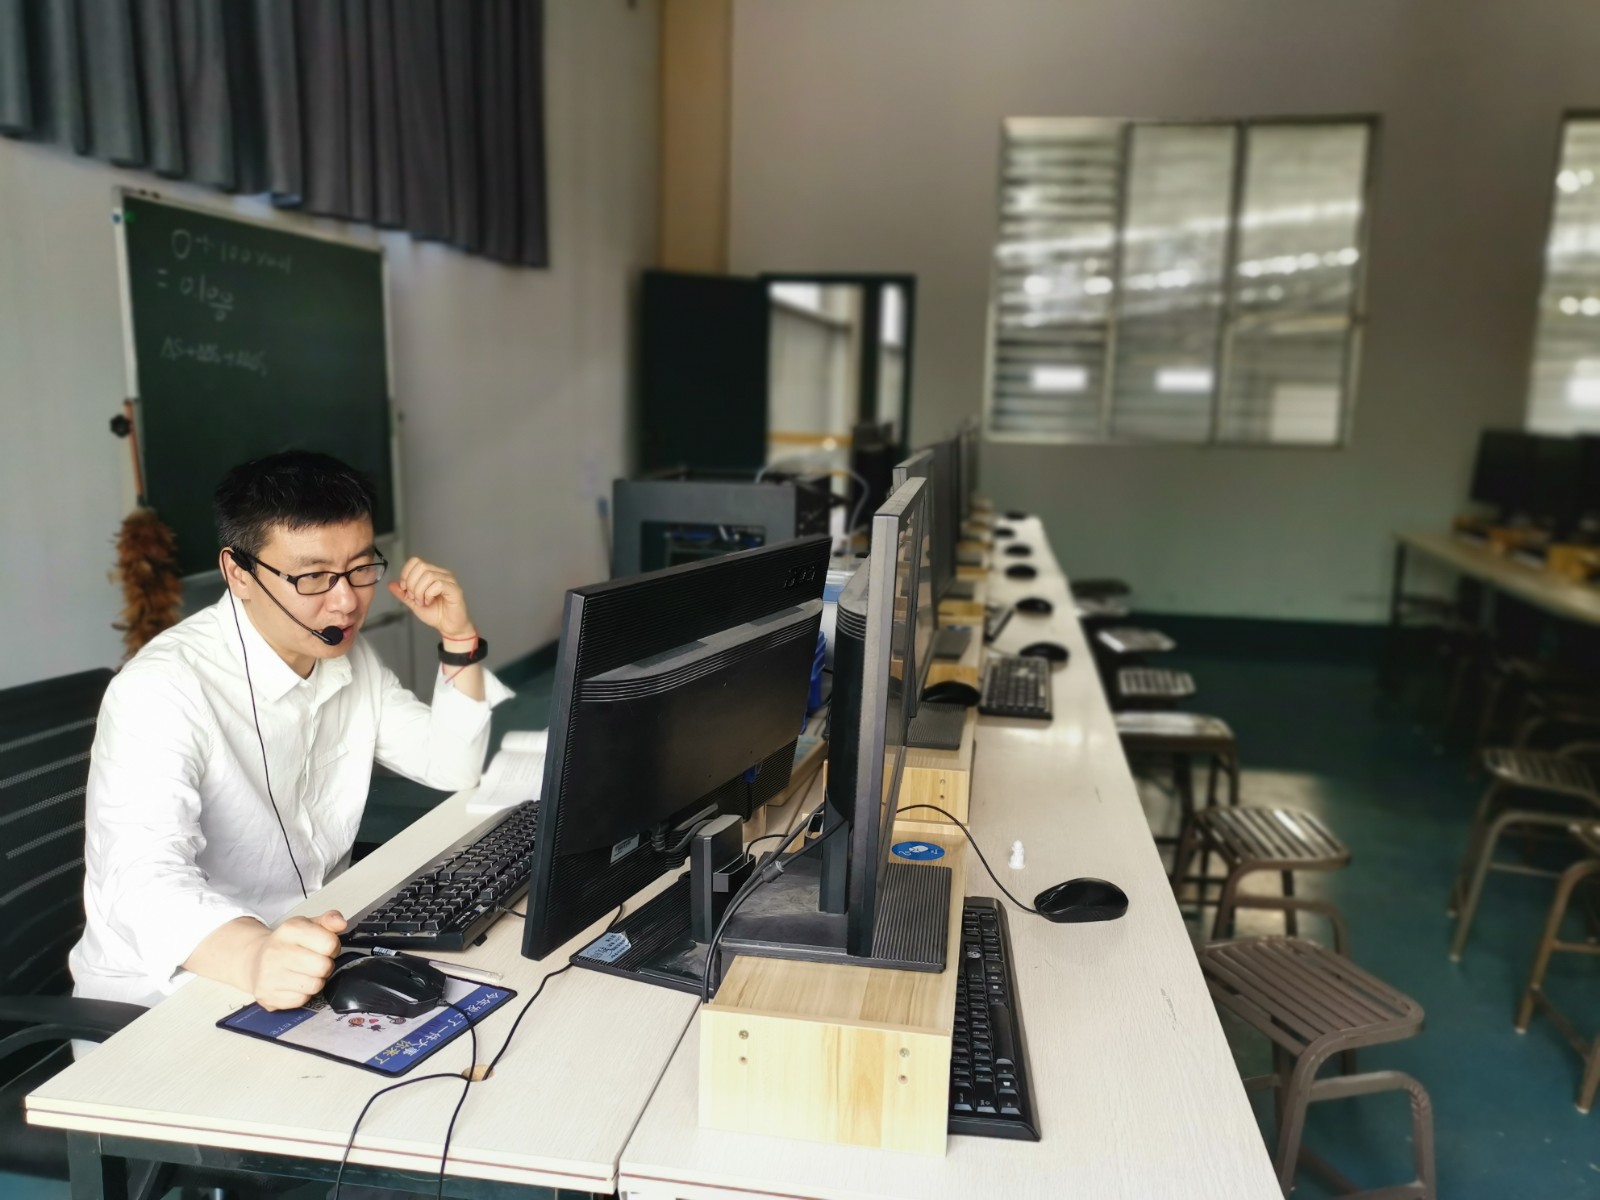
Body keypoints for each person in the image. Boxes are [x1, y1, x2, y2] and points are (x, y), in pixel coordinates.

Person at [70, 451, 511, 1013]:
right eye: (313, 577)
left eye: (360, 568)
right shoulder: (162, 689)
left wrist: (459, 638)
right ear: (239, 573)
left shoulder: (343, 653)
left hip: (313, 950)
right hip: (171, 992)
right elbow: (139, 882)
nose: (346, 601)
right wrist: (255, 955)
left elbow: (451, 764)